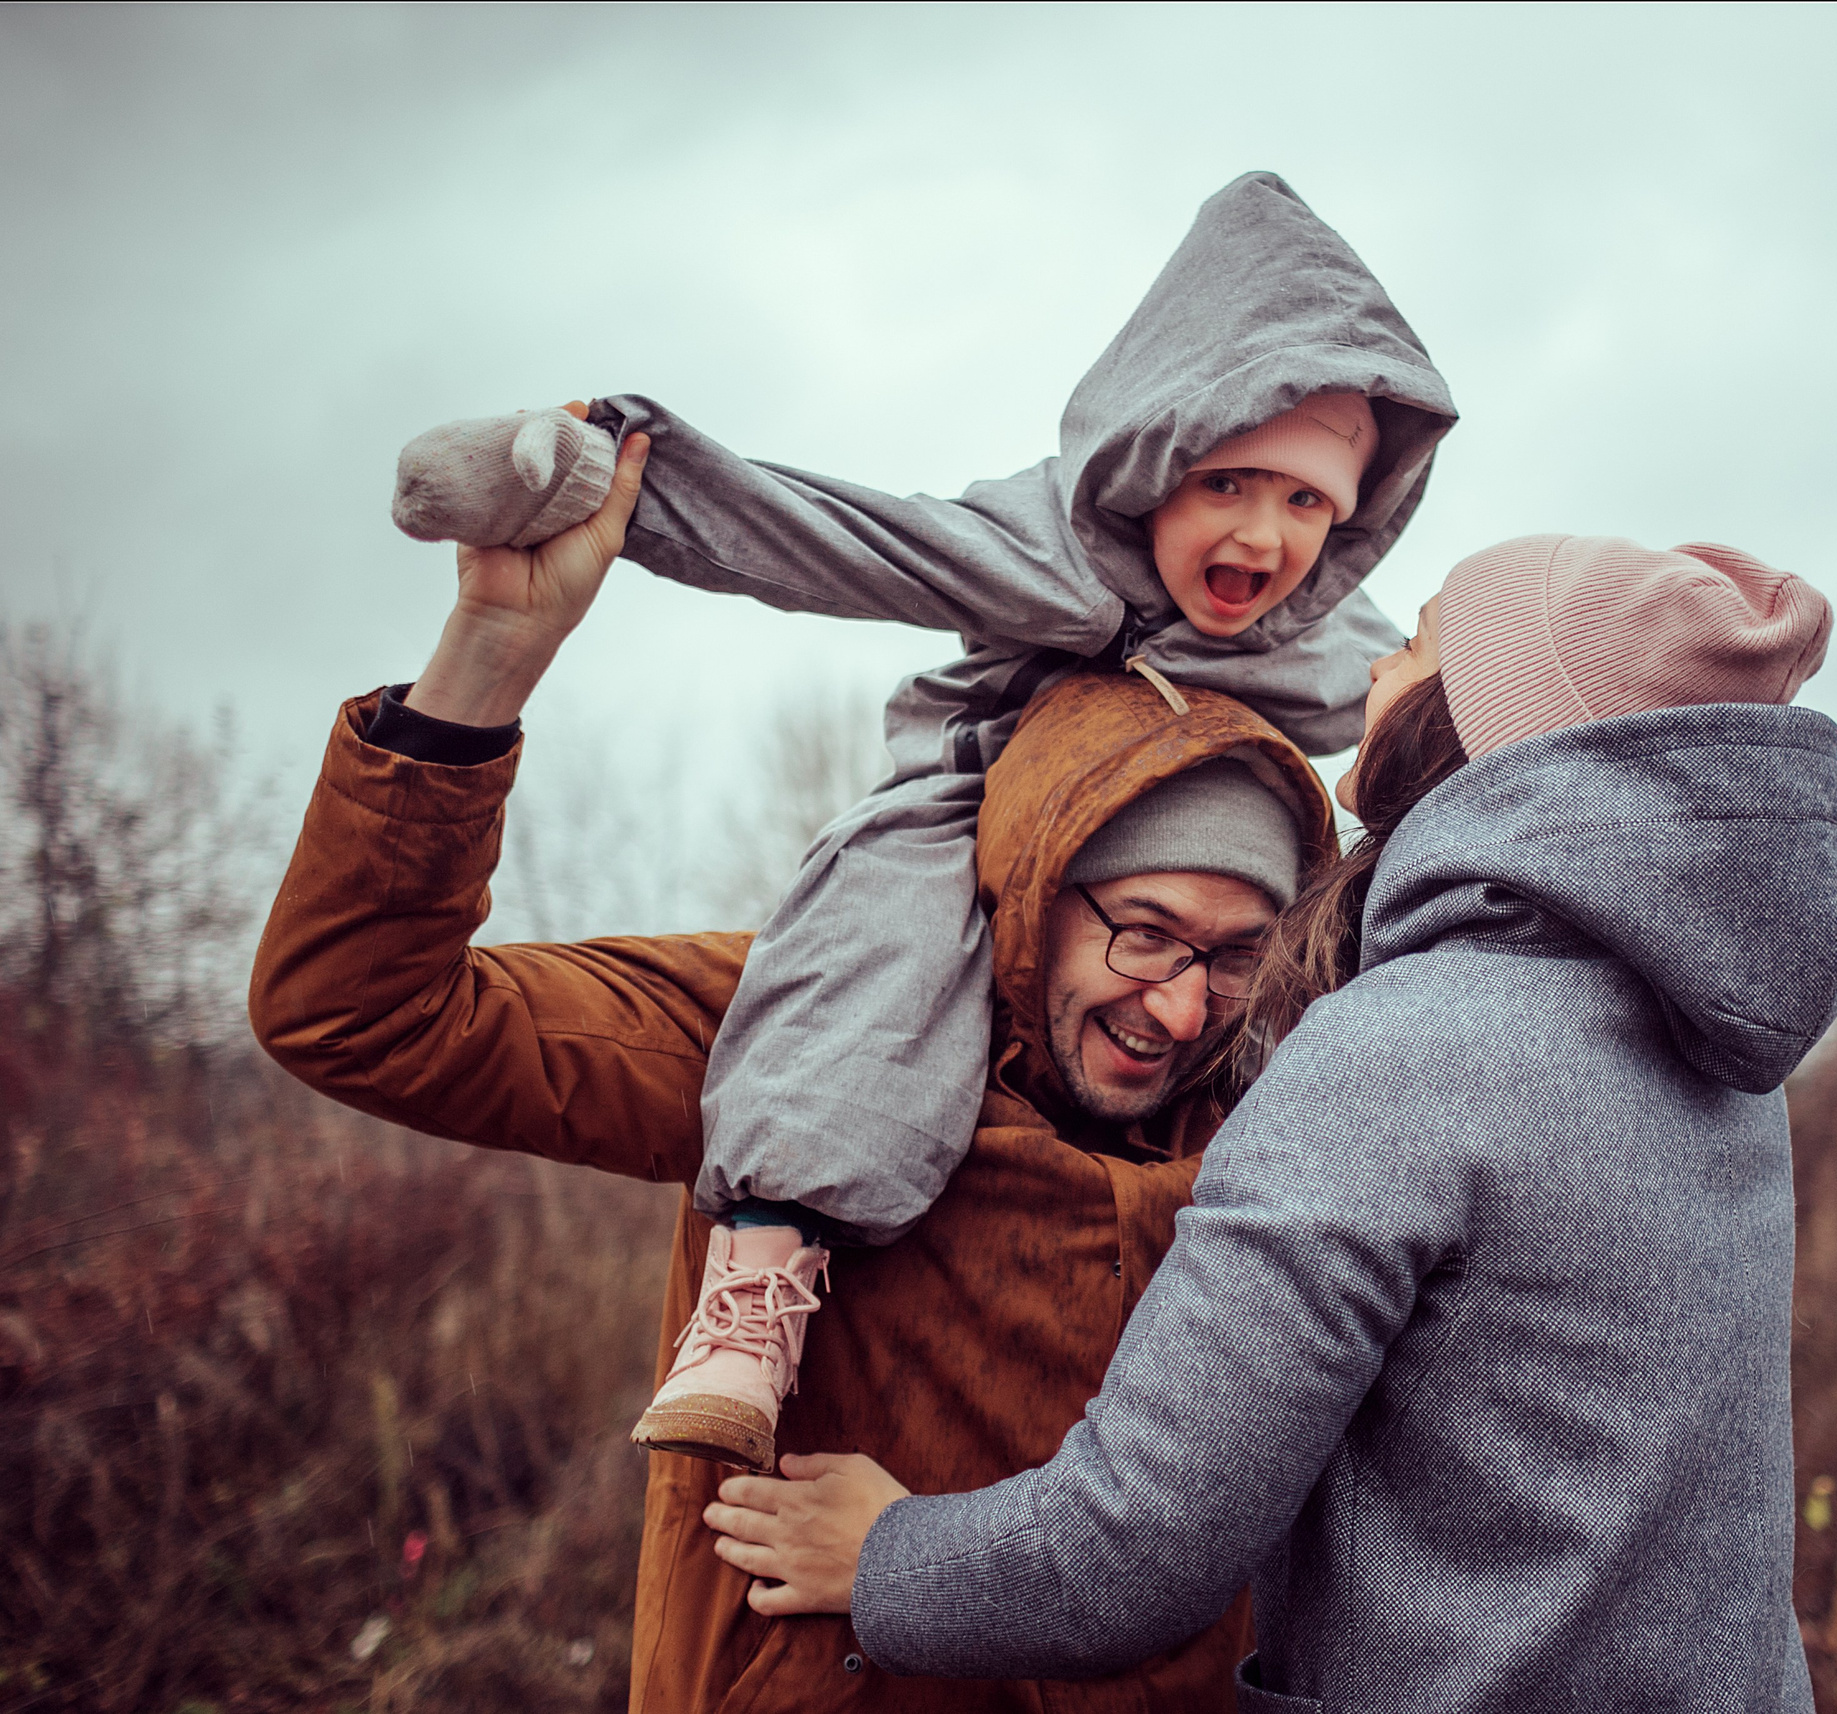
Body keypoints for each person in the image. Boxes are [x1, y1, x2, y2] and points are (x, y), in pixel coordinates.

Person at [386, 170, 1458, 1470]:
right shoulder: (1054, 556)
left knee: (1324, 941)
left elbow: (1457, 703)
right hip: (973, 807)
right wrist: (600, 479)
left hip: (1197, 822)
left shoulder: (1321, 641)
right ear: (1152, 465)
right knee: (879, 927)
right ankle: (760, 1277)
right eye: (1230, 482)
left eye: (1309, 503)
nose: (1267, 535)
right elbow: (843, 540)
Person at [248, 431, 1332, 1711]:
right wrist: (491, 653)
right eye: (1143, 932)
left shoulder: (1293, 1115)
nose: (1182, 1003)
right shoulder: (801, 1031)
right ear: (1035, 886)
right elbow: (359, 1009)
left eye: (1236, 953)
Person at [703, 534, 1837, 1713]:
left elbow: (1132, 1548)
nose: (1374, 672)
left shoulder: (1398, 1055)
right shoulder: (1723, 1064)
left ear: (1482, 718)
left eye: (1415, 645)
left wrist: (885, 1553)